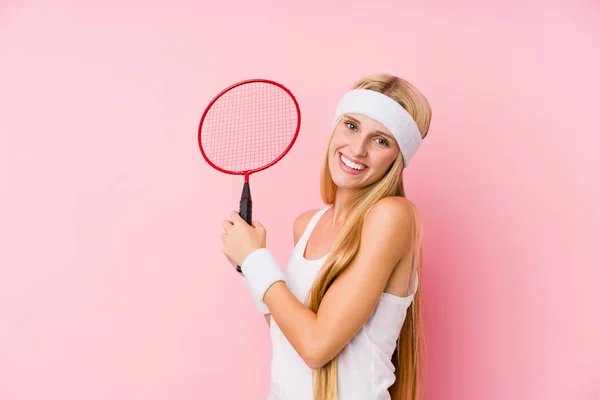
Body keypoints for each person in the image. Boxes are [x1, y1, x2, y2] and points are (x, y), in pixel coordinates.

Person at [221, 73, 432, 400]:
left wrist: (255, 260)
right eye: (351, 126)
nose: (357, 149)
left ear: (398, 157)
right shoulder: (306, 225)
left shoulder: (393, 216)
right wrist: (247, 267)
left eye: (381, 141)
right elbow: (290, 334)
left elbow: (316, 347)